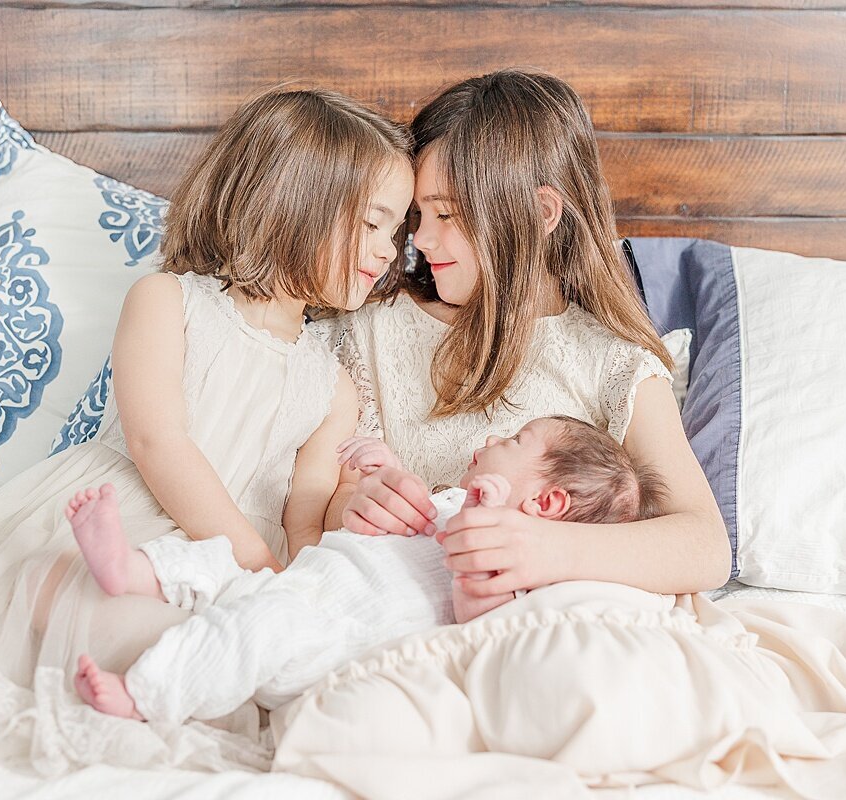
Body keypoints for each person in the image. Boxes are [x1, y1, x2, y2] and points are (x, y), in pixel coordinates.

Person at [0, 88, 414, 763]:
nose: (388, 250)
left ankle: (169, 674)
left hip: (235, 559)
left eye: (396, 231)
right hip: (140, 514)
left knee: (234, 645)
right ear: (296, 200)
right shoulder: (169, 301)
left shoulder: (331, 384)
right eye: (373, 224)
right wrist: (250, 558)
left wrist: (295, 585)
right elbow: (156, 442)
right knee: (55, 590)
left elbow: (306, 514)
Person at [312, 68, 731, 600]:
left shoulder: (612, 363)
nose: (419, 236)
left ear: (538, 212)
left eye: (447, 213)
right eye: (418, 213)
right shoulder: (370, 333)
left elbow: (705, 547)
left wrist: (541, 548)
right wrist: (353, 506)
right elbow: (317, 502)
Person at [62, 416, 667, 724]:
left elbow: (477, 623)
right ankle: (129, 569)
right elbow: (413, 518)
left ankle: (146, 695)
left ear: (546, 504)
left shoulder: (519, 571)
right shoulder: (456, 502)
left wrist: (481, 530)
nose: (491, 438)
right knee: (214, 561)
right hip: (299, 583)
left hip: (325, 637)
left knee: (256, 624)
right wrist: (386, 467)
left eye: (515, 438)